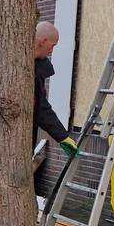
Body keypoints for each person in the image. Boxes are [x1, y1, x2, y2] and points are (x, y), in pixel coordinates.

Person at [34, 21, 80, 197]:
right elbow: (41, 108)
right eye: (53, 45)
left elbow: (40, 107)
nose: (52, 50)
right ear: (43, 41)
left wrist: (63, 136)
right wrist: (63, 136)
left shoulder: (38, 66)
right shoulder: (23, 65)